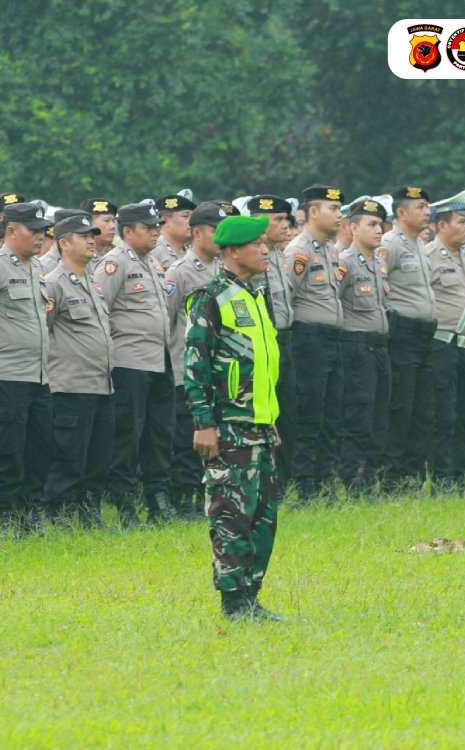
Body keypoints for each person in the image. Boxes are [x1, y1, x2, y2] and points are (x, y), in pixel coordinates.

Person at [185, 214, 281, 622]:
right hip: (228, 430)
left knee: (263, 520)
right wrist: (204, 423)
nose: (266, 249)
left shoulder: (257, 297)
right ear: (232, 251)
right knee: (230, 519)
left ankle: (251, 596)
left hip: (261, 429)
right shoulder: (211, 297)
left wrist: (271, 423)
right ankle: (233, 602)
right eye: (257, 243)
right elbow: (195, 365)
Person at [93, 202, 176, 525]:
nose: (156, 232)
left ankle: (157, 496)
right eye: (149, 227)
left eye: (158, 227)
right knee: (128, 433)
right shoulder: (115, 264)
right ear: (128, 231)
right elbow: (102, 310)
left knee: (159, 432)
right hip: (129, 362)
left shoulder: (152, 262)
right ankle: (124, 501)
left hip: (158, 358)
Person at [0, 202, 53, 525]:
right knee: (4, 452)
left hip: (38, 375)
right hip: (4, 375)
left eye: (43, 231)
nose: (40, 237)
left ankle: (28, 510)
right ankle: (2, 515)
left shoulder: (35, 267)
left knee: (39, 449)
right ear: (10, 231)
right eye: (33, 231)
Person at [44, 214, 115, 525]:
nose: (91, 240)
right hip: (70, 384)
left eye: (92, 235)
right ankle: (59, 511)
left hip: (101, 383)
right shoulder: (53, 284)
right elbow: (43, 330)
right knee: (68, 454)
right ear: (64, 243)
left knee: (98, 455)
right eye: (83, 235)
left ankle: (88, 511)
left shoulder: (93, 282)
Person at [164, 202, 226, 518]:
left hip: (218, 370)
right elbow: (165, 320)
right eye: (216, 230)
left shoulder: (223, 270)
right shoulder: (180, 272)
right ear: (197, 232)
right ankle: (181, 498)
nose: (221, 238)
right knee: (185, 438)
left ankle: (208, 494)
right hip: (186, 369)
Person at [284, 184, 345, 500]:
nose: (338, 215)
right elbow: (285, 299)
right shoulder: (299, 250)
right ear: (312, 212)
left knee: (332, 414)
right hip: (309, 341)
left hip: (333, 341)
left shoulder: (331, 250)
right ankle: (306, 484)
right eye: (332, 209)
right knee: (311, 413)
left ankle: (325, 481)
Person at [425, 190, 465, 489]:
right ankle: (443, 477)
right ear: (442, 225)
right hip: (443, 346)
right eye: (462, 221)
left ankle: (464, 475)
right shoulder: (429, 256)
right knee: (444, 416)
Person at [380, 184, 437, 489]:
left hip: (425, 335)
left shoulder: (419, 245)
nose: (427, 212)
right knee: (401, 406)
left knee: (423, 408)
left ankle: (411, 473)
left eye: (427, 207)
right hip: (403, 335)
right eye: (420, 207)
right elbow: (376, 284)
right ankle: (392, 475)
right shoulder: (391, 243)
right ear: (401, 213)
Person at [337, 199, 391, 494]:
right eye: (371, 224)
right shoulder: (344, 263)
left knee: (379, 414)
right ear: (353, 228)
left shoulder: (380, 263)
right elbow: (335, 304)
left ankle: (370, 474)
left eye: (381, 224)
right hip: (356, 346)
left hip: (379, 346)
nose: (379, 229)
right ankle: (353, 476)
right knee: (358, 412)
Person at [246, 195, 296, 494]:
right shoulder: (250, 258)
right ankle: (264, 479)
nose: (284, 225)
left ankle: (282, 479)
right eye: (276, 219)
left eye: (284, 219)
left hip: (285, 342)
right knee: (261, 414)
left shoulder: (279, 256)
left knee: (286, 412)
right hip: (258, 347)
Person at [151, 193, 196, 270]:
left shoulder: (191, 252)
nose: (191, 222)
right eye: (185, 216)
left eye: (192, 217)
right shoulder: (154, 250)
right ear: (165, 221)